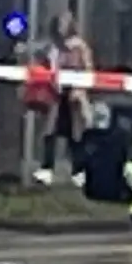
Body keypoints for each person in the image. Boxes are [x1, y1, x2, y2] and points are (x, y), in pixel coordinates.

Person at [34, 11, 93, 187]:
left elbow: (87, 68)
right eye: (60, 23)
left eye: (65, 23)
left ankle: (79, 171)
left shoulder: (79, 46)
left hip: (73, 94)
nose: (62, 27)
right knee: (50, 133)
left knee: (75, 135)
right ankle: (47, 169)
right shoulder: (53, 47)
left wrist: (80, 89)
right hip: (56, 94)